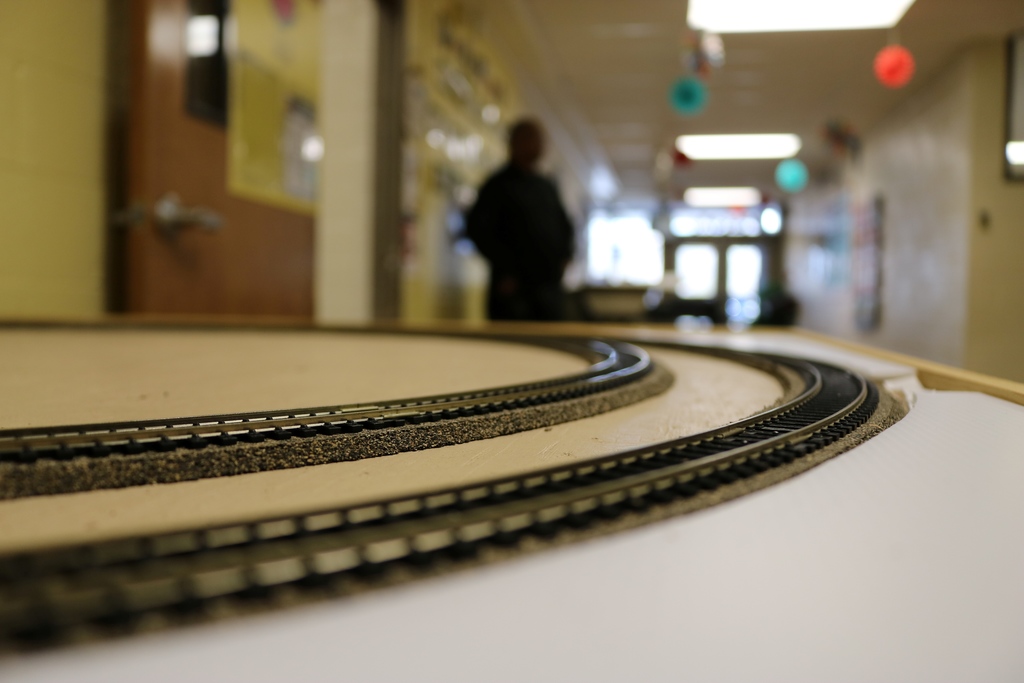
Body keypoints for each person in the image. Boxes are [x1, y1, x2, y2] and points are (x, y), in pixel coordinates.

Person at [466, 119, 574, 321]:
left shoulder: (546, 186)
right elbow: (477, 230)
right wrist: (507, 270)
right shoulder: (497, 186)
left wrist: (565, 257)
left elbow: (565, 226)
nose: (541, 145)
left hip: (549, 291)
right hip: (513, 293)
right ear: (517, 142)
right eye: (534, 139)